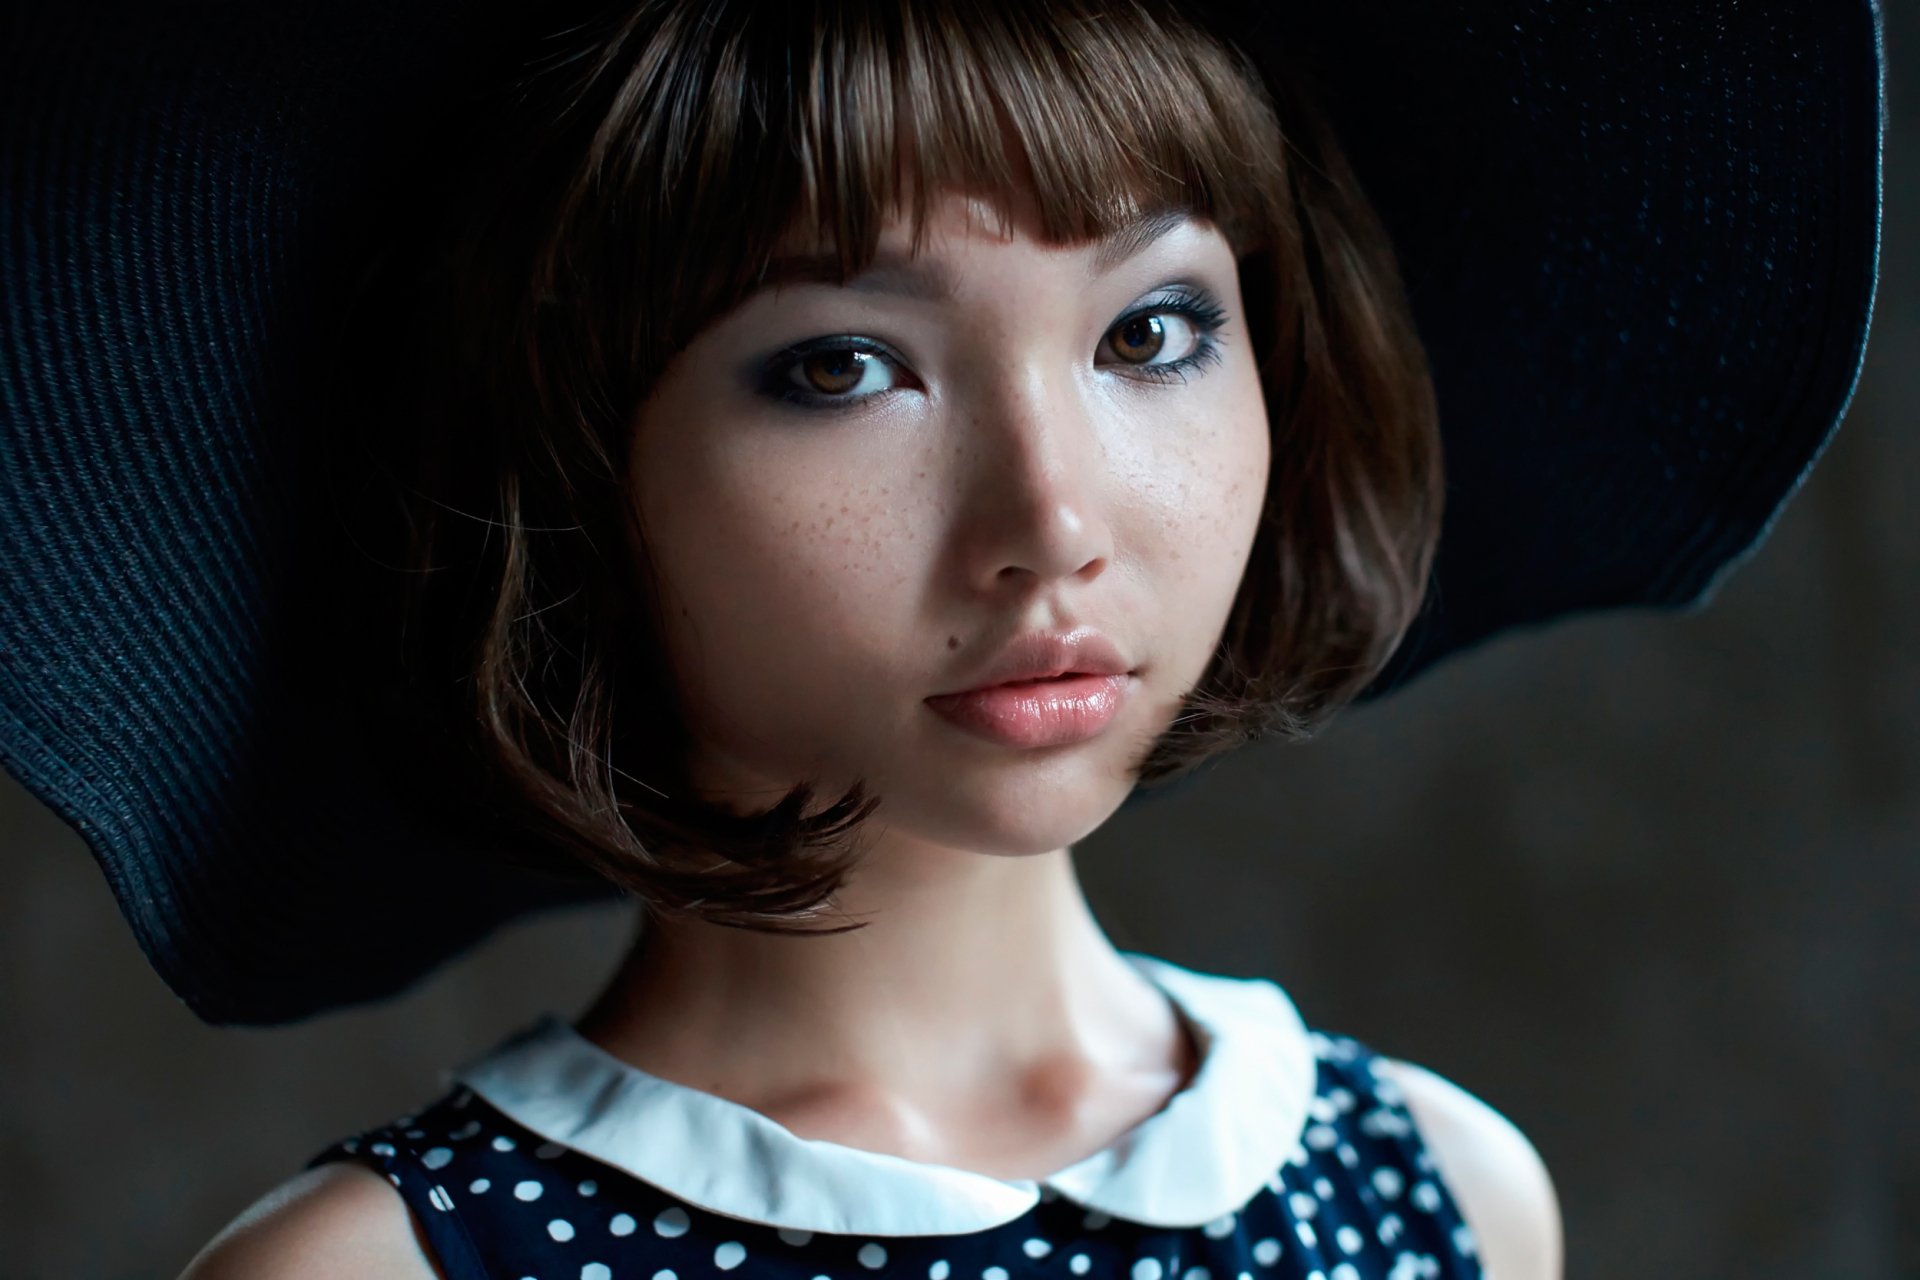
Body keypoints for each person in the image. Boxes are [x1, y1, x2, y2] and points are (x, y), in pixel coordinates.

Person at [0, 0, 1877, 1277]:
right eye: (844, 367)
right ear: (577, 460)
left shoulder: (1442, 1198)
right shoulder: (395, 1272)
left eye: (1151, 331)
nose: (1051, 523)